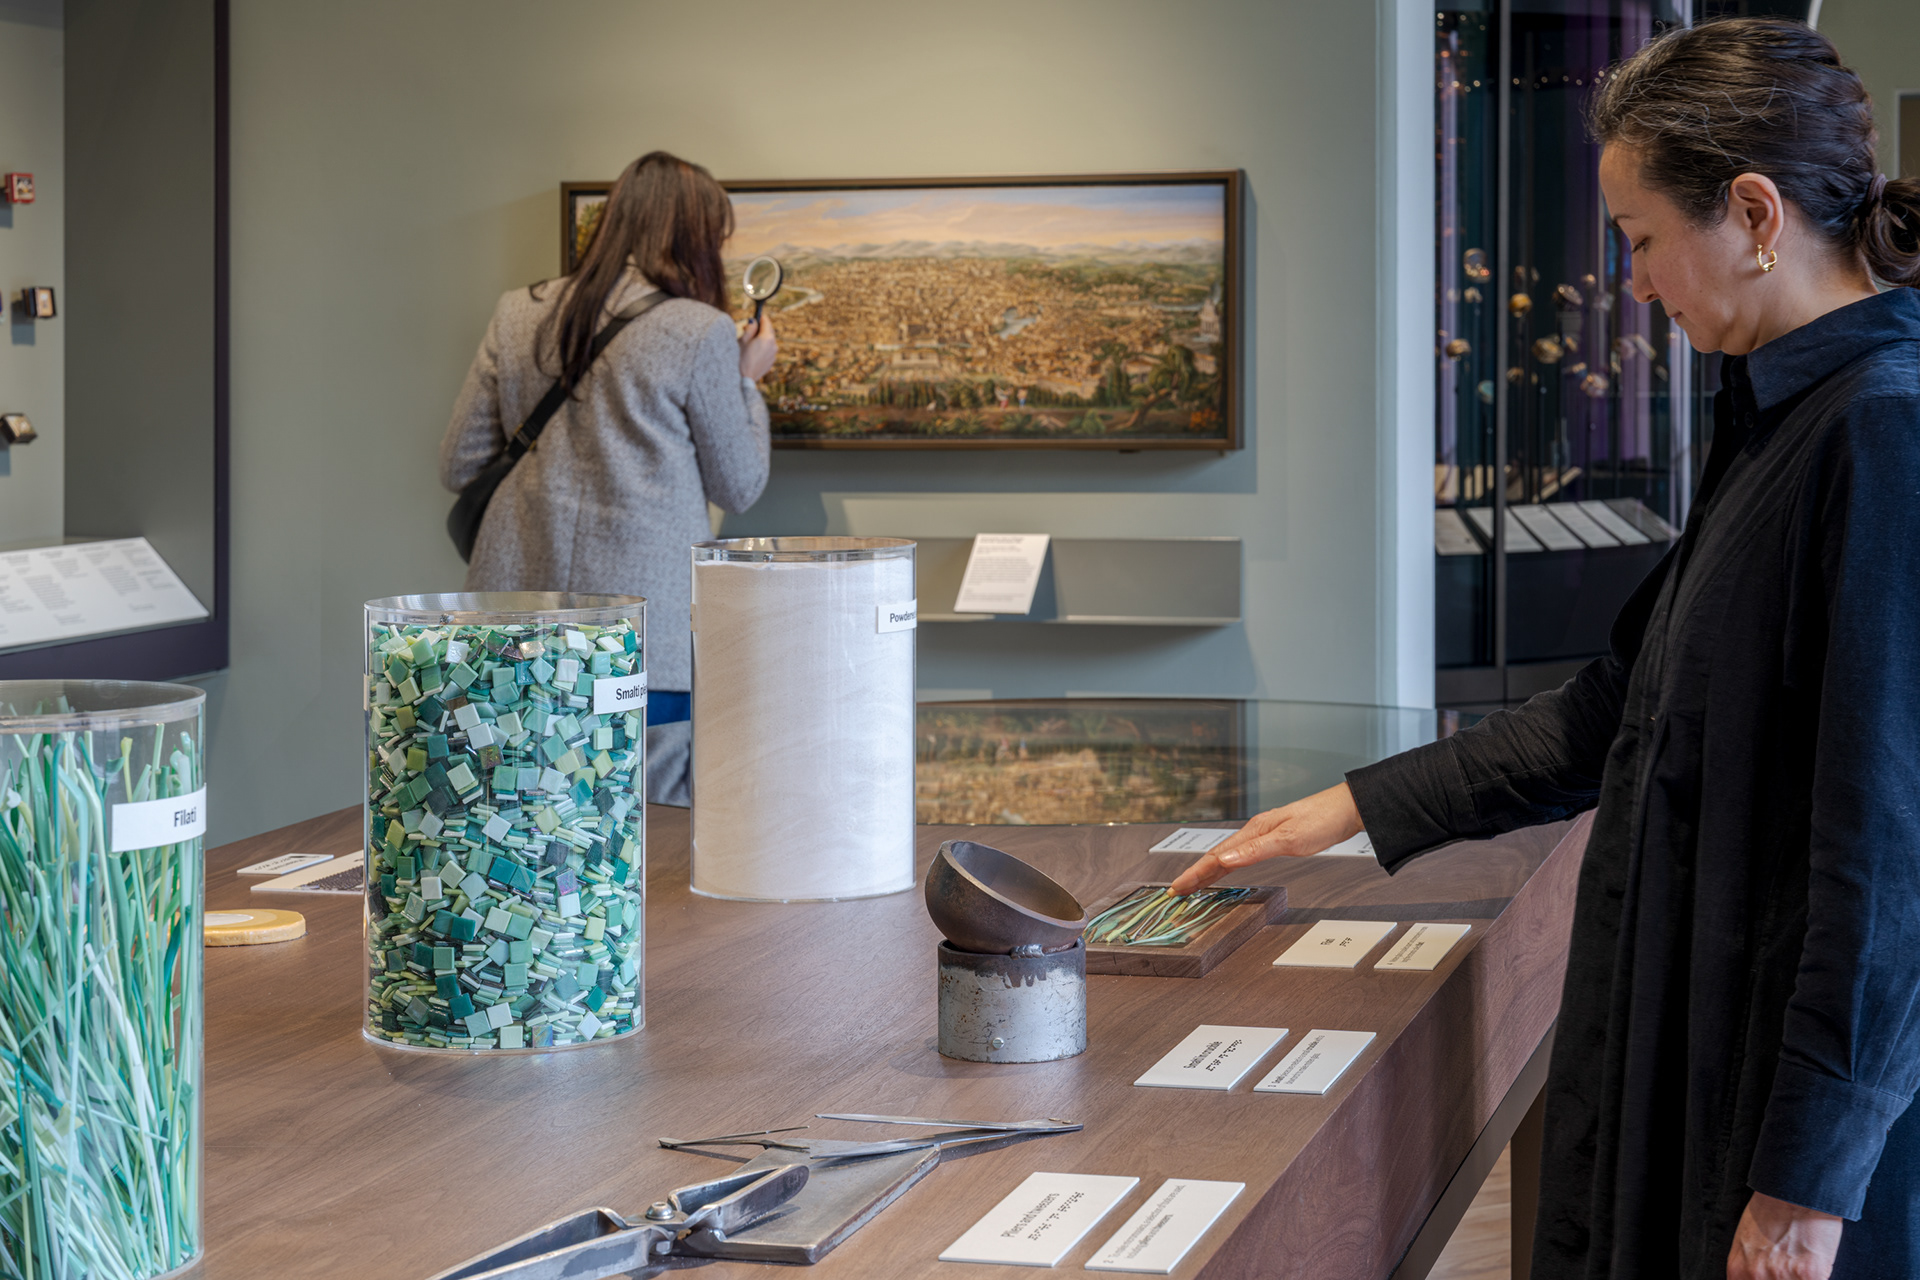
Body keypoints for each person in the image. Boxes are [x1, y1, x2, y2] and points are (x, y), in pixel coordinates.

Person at [1173, 19, 1920, 1280]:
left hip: (1778, 1125)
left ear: (1754, 213)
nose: (1634, 282)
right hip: (1703, 1054)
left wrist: (1806, 1182)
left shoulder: (1882, 432)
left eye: (1641, 238)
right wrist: (1349, 807)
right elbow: (1626, 704)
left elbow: (1893, 863)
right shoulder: (1785, 412)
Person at [440, 151, 776, 806]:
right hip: (640, 633)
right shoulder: (699, 330)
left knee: (514, 822)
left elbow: (459, 462)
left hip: (508, 621)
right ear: (696, 237)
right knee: (642, 833)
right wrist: (745, 380)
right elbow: (738, 486)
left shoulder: (517, 311)